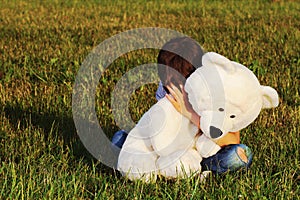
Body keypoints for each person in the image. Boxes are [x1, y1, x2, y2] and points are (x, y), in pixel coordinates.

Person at [112, 37, 252, 175]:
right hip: (173, 148)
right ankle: (160, 166)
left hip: (204, 148)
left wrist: (189, 112)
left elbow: (233, 140)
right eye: (169, 83)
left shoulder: (214, 89)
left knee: (237, 156)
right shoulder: (167, 87)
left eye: (183, 84)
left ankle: (195, 167)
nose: (178, 90)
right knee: (120, 138)